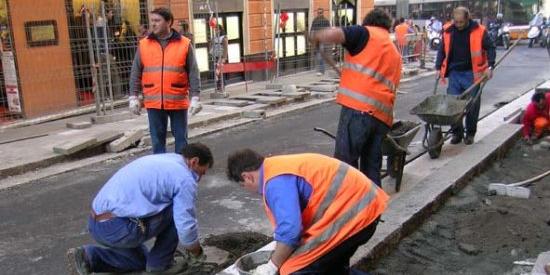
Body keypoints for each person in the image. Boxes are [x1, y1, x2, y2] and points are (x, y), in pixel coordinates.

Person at [226, 150, 389, 275]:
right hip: (363, 208)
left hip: (355, 215)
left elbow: (291, 231)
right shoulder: (276, 167)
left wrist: (271, 266)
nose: (248, 191)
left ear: (247, 177)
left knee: (294, 269)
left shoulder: (275, 181)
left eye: (243, 186)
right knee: (331, 268)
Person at [66, 143, 214, 274]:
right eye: (201, 172)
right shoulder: (184, 178)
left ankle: (89, 256)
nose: (199, 178)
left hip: (98, 224)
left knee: (140, 262)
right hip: (118, 228)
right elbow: (185, 225)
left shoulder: (169, 159)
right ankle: (160, 266)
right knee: (177, 210)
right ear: (194, 161)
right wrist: (196, 253)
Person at [310, 9, 402, 187]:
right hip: (382, 118)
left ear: (368, 22)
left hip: (358, 112)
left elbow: (333, 34)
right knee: (371, 169)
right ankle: (374, 213)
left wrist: (315, 35)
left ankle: (350, 210)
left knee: (345, 166)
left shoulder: (365, 33)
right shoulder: (393, 51)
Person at [128, 7, 202, 154]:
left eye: (157, 21)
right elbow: (136, 72)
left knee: (181, 140)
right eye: (152, 21)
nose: (153, 24)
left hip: (177, 100)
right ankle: (160, 172)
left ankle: (179, 171)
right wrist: (133, 96)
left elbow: (193, 72)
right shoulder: (144, 44)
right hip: (154, 102)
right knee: (157, 141)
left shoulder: (184, 44)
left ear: (169, 22)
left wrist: (195, 97)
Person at [435, 6, 495, 145]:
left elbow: (491, 48)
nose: (459, 25)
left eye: (461, 22)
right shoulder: (448, 31)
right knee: (453, 105)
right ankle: (457, 133)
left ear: (468, 18)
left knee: (472, 105)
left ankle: (470, 133)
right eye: (456, 22)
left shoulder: (479, 31)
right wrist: (438, 67)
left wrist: (490, 66)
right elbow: (442, 50)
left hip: (472, 74)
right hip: (455, 74)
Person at [310, 8, 331, 76]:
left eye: (321, 13)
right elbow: (312, 30)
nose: (319, 14)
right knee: (318, 56)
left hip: (323, 40)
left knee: (320, 55)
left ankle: (321, 71)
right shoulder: (315, 21)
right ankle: (320, 70)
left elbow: (329, 31)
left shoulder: (326, 21)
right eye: (318, 13)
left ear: (323, 13)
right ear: (317, 13)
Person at [209, 24, 228, 92]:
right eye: (215, 29)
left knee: (219, 72)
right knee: (216, 73)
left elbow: (225, 49)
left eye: (217, 29)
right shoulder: (214, 38)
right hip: (215, 56)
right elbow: (211, 46)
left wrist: (224, 58)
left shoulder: (223, 38)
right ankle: (218, 86)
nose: (216, 31)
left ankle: (222, 86)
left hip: (221, 57)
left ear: (220, 30)